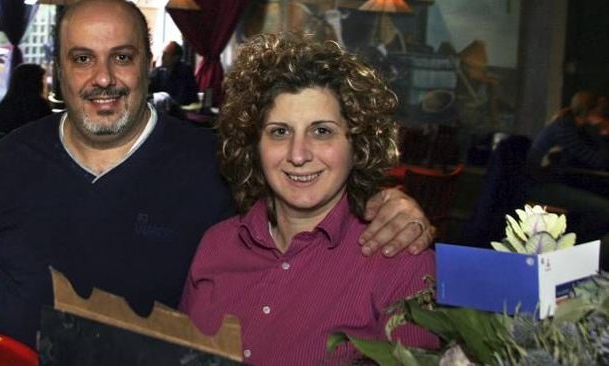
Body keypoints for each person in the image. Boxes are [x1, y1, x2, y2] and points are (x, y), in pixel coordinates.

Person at [0, 0, 433, 349]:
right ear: (57, 70)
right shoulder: (11, 157)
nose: (103, 78)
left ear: (148, 64)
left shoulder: (215, 164)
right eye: (83, 59)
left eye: (121, 57)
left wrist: (385, 203)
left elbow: (303, 195)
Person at [180, 34, 437, 365]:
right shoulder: (216, 245)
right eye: (280, 132)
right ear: (253, 146)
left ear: (356, 143)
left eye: (322, 131)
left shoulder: (401, 261)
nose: (298, 155)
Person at [526, 90, 609, 267]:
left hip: (549, 182)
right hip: (540, 186)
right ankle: (577, 257)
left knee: (593, 208)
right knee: (604, 210)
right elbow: (598, 160)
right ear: (591, 113)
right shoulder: (565, 127)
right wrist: (601, 132)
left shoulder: (570, 125)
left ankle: (577, 254)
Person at [0, 63, 52, 134]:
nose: (45, 84)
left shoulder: (5, 104)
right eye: (42, 79)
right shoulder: (39, 106)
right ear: (35, 82)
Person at [149, 40, 199, 107]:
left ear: (176, 58)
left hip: (182, 112)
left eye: (166, 54)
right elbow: (150, 91)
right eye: (163, 53)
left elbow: (181, 98)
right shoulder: (158, 71)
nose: (162, 57)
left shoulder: (184, 71)